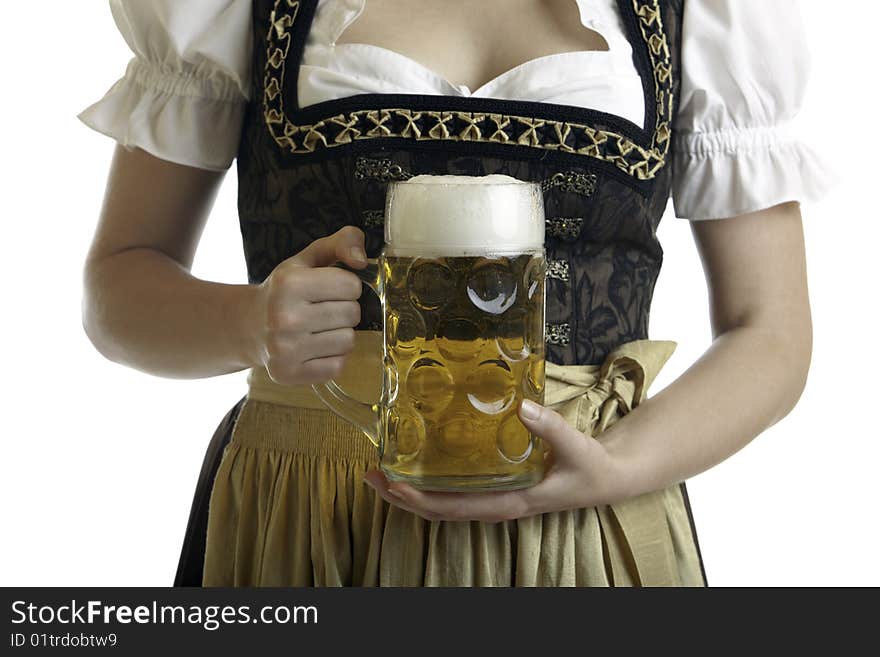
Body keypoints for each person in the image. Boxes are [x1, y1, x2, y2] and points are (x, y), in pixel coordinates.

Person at [79, 0, 830, 587]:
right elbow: (118, 284)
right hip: (311, 510)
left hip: (585, 525)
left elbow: (772, 331)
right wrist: (247, 323)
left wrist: (622, 465)